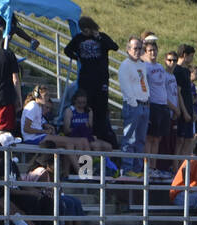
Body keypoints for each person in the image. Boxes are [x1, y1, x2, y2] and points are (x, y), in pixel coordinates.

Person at [63, 16, 118, 147]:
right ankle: (87, 132)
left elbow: (114, 47)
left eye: (87, 30)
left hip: (100, 79)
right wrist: (77, 57)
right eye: (83, 30)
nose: (84, 33)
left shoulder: (101, 37)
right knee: (87, 105)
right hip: (86, 78)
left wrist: (98, 37)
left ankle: (100, 134)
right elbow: (67, 50)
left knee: (100, 108)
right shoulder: (79, 39)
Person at [20, 85, 86, 177]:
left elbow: (38, 122)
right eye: (45, 95)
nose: (48, 98)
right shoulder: (33, 106)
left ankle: (67, 174)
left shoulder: (38, 106)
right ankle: (83, 173)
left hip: (38, 136)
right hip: (32, 138)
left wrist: (47, 126)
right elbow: (26, 129)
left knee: (69, 145)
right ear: (37, 95)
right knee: (73, 141)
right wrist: (44, 131)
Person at [117, 35, 148, 171]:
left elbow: (144, 83)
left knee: (140, 140)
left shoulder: (142, 64)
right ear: (128, 49)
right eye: (135, 48)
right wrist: (134, 103)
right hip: (133, 105)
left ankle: (137, 169)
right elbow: (125, 87)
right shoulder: (125, 65)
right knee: (130, 139)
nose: (137, 51)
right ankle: (127, 168)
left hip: (145, 104)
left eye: (140, 48)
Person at [139, 34, 169, 178]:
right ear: (146, 52)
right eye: (150, 50)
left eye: (154, 50)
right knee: (149, 137)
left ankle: (153, 166)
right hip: (152, 104)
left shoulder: (160, 67)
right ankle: (146, 166)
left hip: (163, 104)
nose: (153, 53)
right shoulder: (144, 66)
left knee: (157, 138)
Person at [171, 44, 196, 156]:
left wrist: (192, 111)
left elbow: (188, 93)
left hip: (189, 109)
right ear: (185, 55)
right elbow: (178, 92)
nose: (192, 59)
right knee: (180, 141)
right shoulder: (178, 70)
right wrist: (184, 111)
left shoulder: (186, 71)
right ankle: (177, 170)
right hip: (182, 110)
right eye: (191, 56)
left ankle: (184, 169)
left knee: (189, 140)